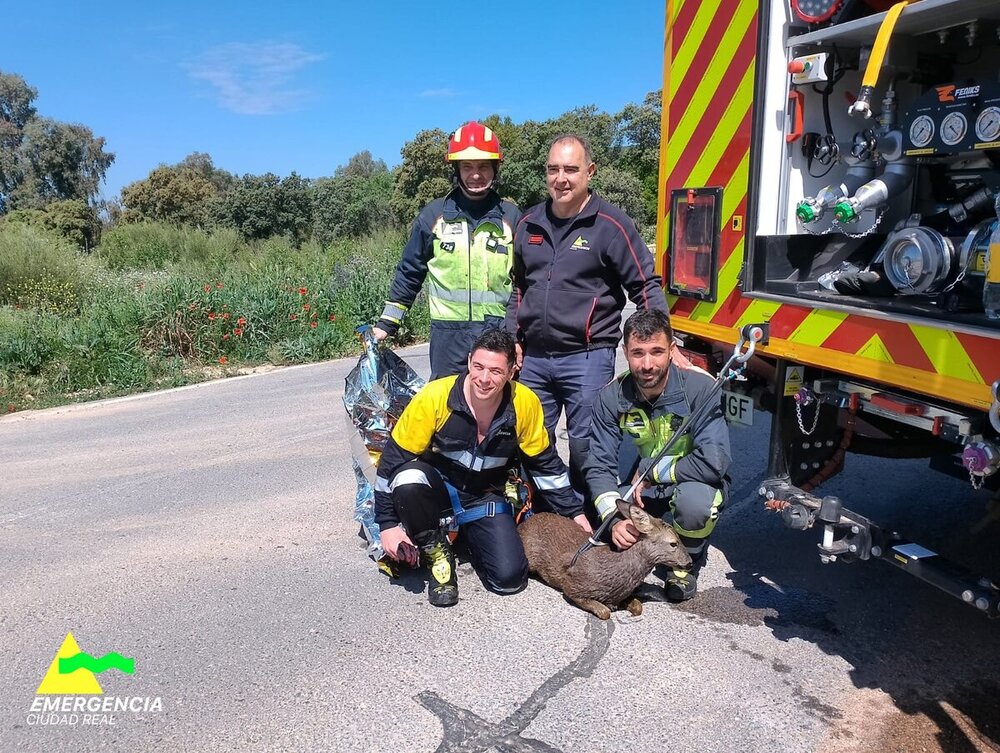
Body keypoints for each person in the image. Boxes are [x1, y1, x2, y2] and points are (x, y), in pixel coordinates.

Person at [374, 328, 590, 607]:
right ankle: (438, 554)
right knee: (407, 478)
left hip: (484, 496)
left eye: (496, 371)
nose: (484, 379)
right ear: (468, 362)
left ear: (512, 371)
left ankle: (467, 536)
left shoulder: (524, 403)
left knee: (509, 580)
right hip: (437, 489)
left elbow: (545, 466)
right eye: (478, 367)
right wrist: (388, 524)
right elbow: (391, 462)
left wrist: (574, 512)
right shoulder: (435, 397)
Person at [505, 133, 668, 497]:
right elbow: (518, 288)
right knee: (531, 441)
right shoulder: (528, 223)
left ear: (590, 171)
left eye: (570, 169)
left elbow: (645, 287)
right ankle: (540, 514)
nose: (560, 178)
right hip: (534, 358)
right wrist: (512, 337)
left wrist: (656, 345)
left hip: (587, 356)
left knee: (585, 445)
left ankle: (588, 513)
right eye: (553, 169)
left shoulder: (612, 225)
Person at [583, 309, 731, 601]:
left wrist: (652, 470)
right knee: (599, 516)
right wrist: (615, 520)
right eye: (638, 353)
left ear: (672, 350)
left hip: (695, 481)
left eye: (657, 352)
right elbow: (599, 465)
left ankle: (683, 567)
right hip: (647, 488)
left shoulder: (700, 389)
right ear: (625, 352)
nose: (647, 364)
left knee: (694, 504)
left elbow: (714, 462)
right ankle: (649, 532)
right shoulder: (612, 397)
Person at [373, 122, 520, 380]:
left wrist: (517, 334)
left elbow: (526, 282)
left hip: (498, 335)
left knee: (498, 412)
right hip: (447, 338)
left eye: (484, 166)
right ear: (456, 169)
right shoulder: (433, 216)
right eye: (467, 166)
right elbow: (410, 272)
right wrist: (387, 323)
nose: (476, 175)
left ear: (496, 169)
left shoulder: (512, 218)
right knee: (448, 411)